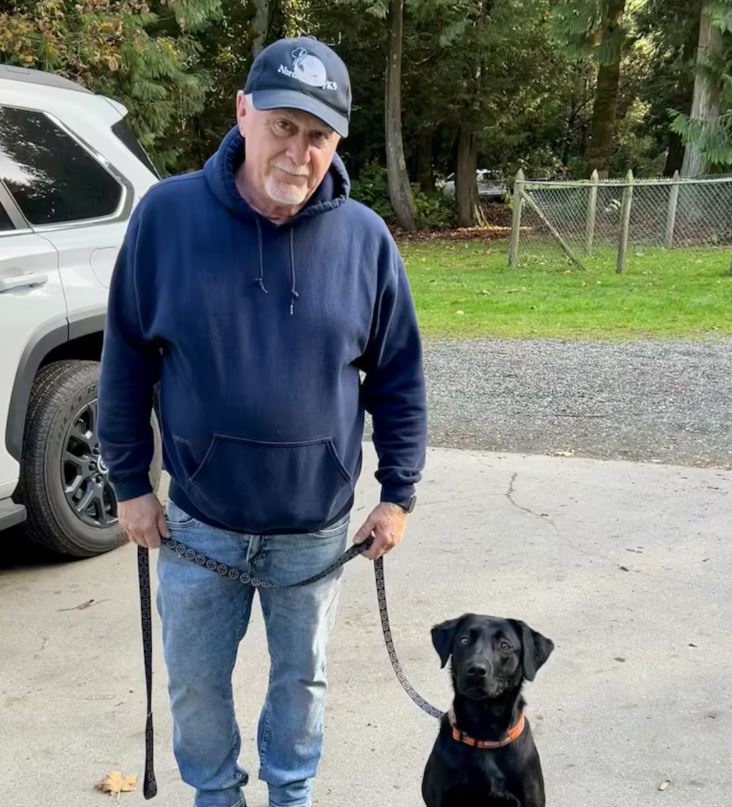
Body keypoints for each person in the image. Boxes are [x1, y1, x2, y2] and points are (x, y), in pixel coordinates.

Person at [98, 35, 426, 807]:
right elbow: (126, 361)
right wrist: (128, 483)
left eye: (318, 135)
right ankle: (216, 795)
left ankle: (292, 792)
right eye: (284, 125)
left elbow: (399, 378)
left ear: (336, 142)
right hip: (198, 524)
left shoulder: (366, 241)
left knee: (302, 680)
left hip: (313, 528)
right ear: (244, 112)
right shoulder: (166, 218)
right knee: (197, 685)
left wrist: (398, 493)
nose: (299, 151)